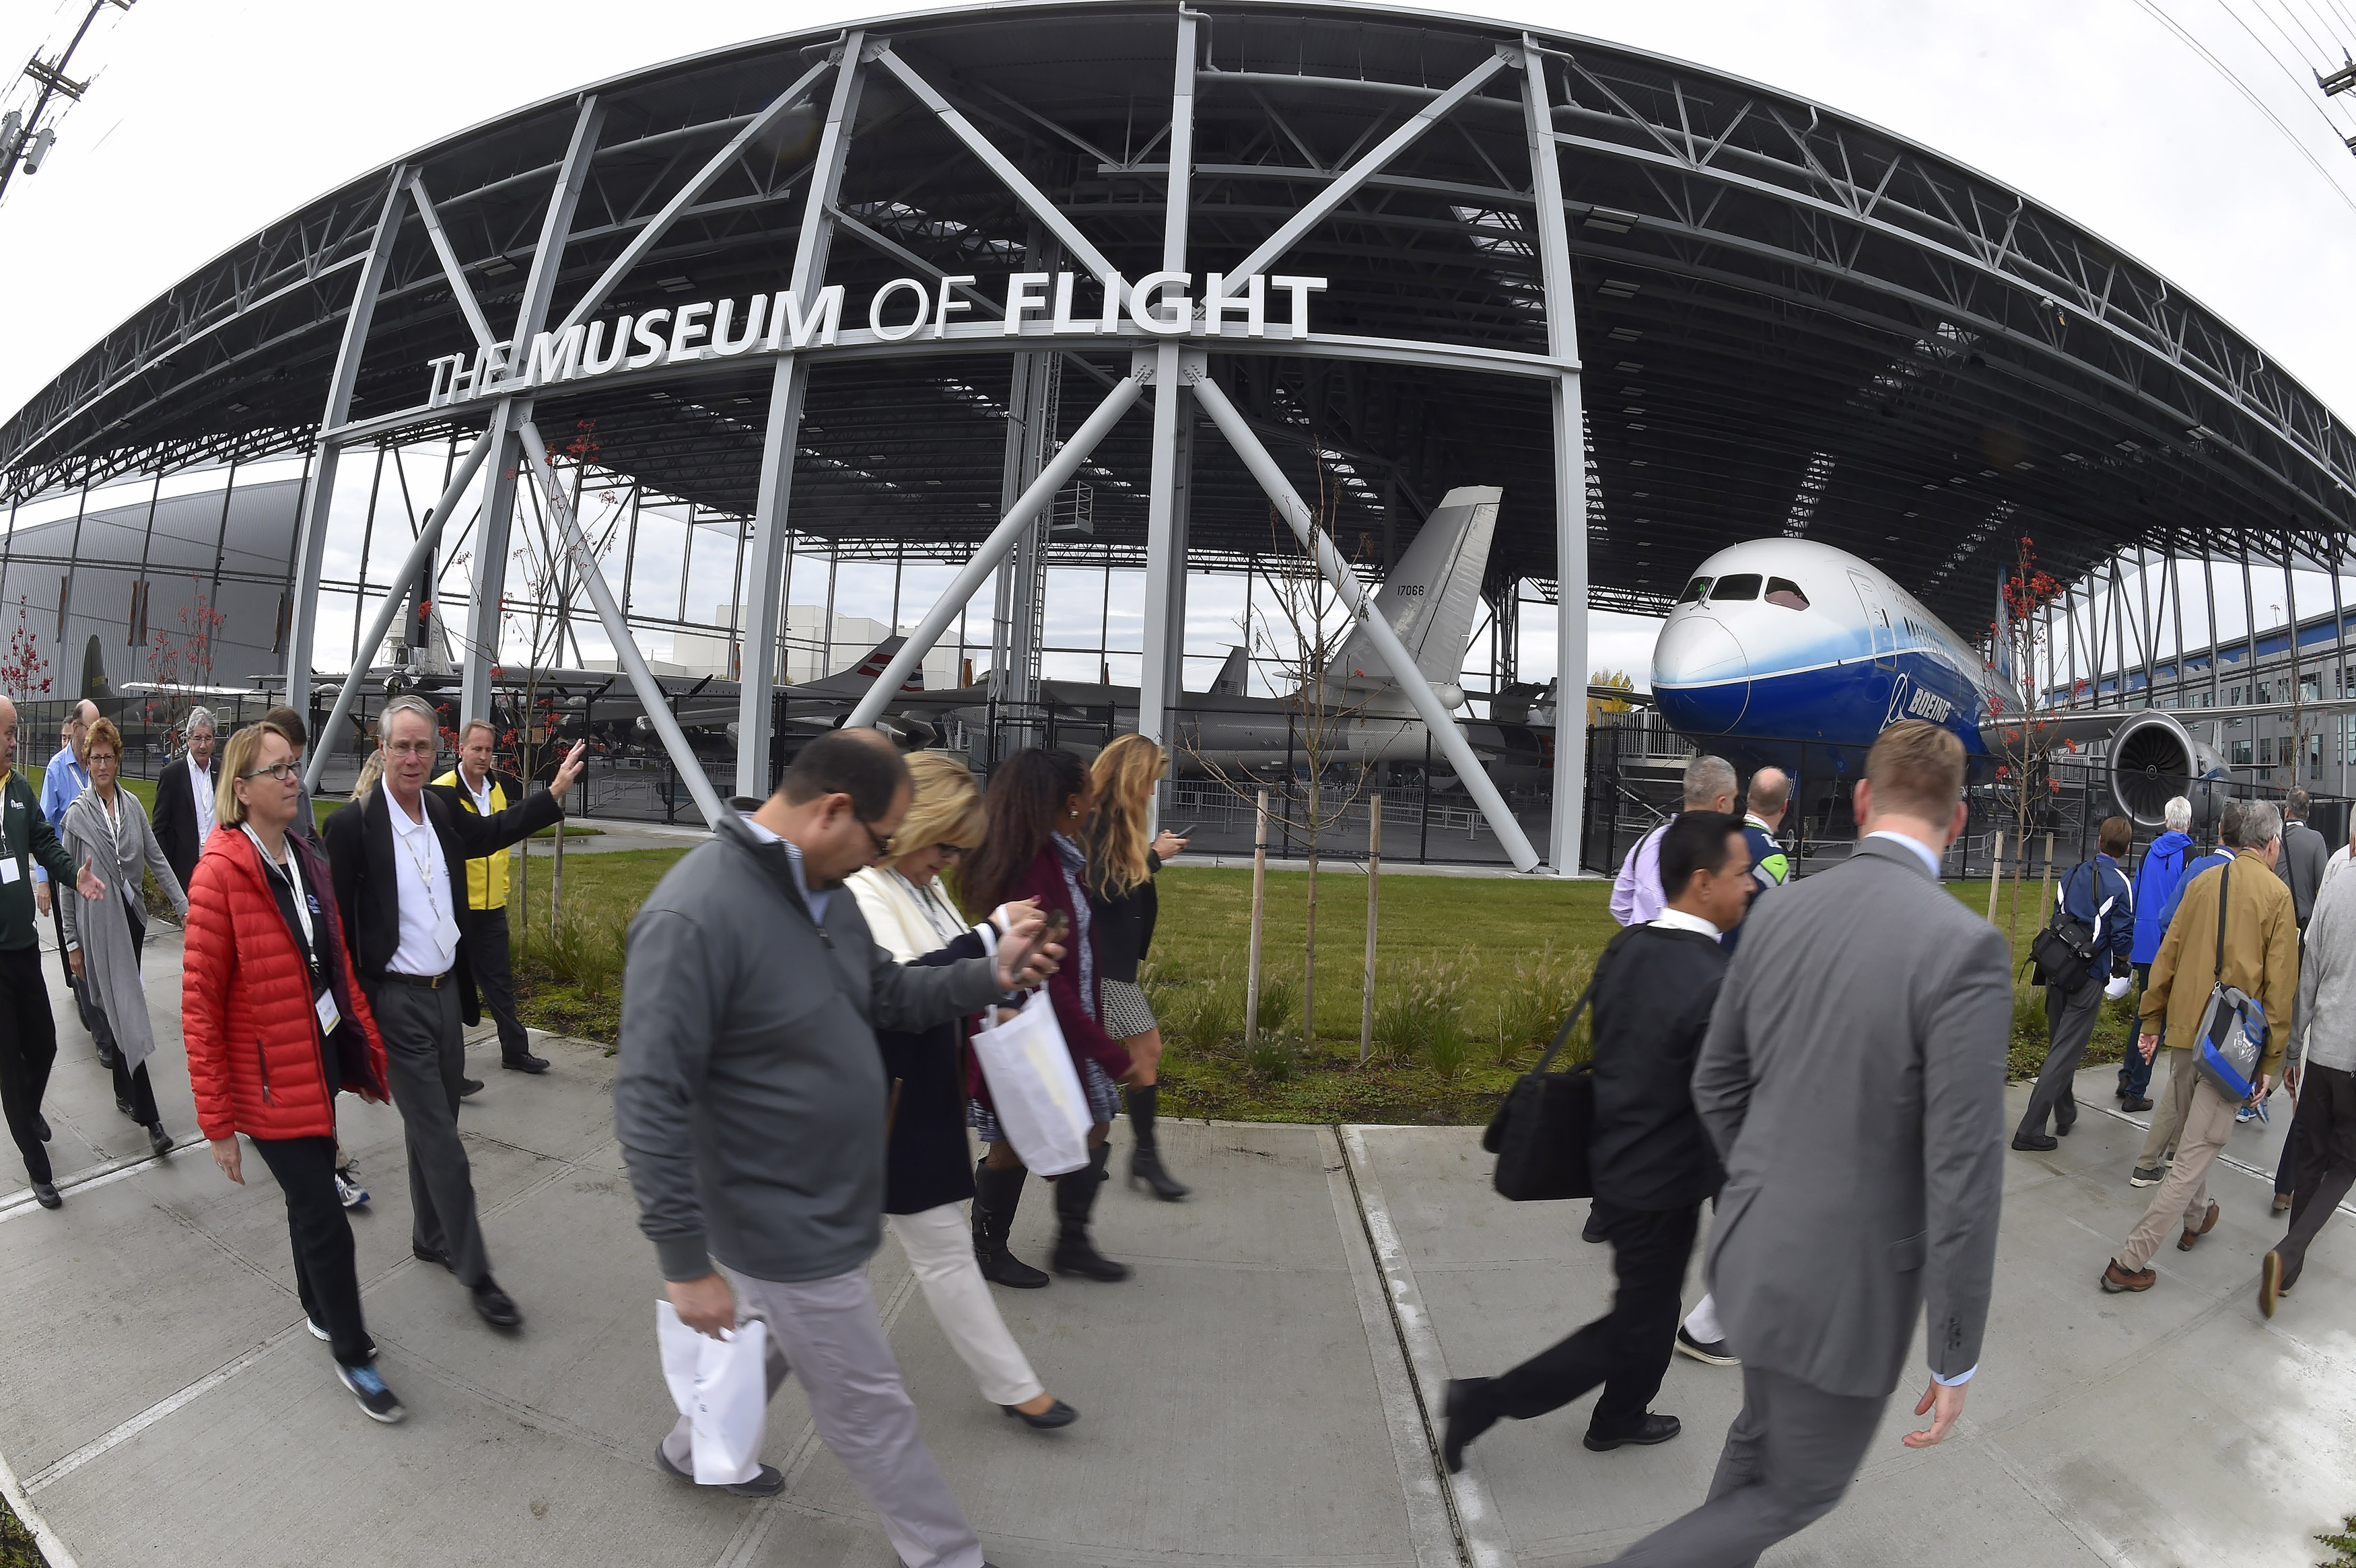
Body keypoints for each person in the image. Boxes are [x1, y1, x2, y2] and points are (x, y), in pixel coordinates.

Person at [614, 728, 1053, 1566]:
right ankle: (946, 1553)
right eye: (882, 840)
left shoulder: (825, 889)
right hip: (777, 1213)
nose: (884, 857)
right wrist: (681, 1260)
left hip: (820, 1198)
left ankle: (689, 1449)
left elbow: (886, 993)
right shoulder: (694, 913)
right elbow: (647, 1097)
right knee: (870, 1404)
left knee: (768, 1338)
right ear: (832, 810)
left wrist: (989, 975)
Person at [1607, 721, 2009, 1568]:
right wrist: (1956, 1350)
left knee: (1758, 1440)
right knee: (1799, 1487)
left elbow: (1717, 1081)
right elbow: (1963, 1174)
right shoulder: (1964, 948)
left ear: (1862, 800)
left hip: (1754, 1251)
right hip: (1845, 1297)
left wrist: (1762, 1177)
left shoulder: (1778, 905)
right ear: (1959, 819)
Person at [1443, 811, 1754, 1471]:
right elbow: (1721, 1111)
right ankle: (1483, 1401)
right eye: (1739, 873)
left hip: (1611, 1161)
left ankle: (1618, 1415)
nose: (1750, 884)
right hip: (1658, 1185)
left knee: (1650, 1305)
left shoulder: (1630, 945)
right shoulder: (1716, 984)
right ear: (1701, 882)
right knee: (1634, 1326)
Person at [323, 696, 584, 1329]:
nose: (413, 758)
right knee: (443, 1140)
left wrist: (550, 796)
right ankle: (477, 1271)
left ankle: (429, 1233)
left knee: (432, 1125)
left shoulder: (441, 809)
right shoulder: (353, 826)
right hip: (397, 1002)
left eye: (422, 747)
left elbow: (492, 833)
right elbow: (335, 929)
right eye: (401, 747)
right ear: (380, 750)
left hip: (446, 994)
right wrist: (349, 1012)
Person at [183, 719, 404, 1422]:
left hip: (313, 1062)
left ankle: (316, 1306)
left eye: (295, 765)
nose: (292, 778)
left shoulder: (304, 858)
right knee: (325, 1214)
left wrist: (365, 1048)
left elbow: (333, 967)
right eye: (277, 769)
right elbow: (199, 1007)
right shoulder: (220, 871)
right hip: (267, 1083)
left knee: (307, 1203)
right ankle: (353, 1350)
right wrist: (218, 1123)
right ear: (241, 789)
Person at [847, 750, 1076, 1429]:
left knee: (922, 1251)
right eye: (943, 843)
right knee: (827, 1279)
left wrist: (1004, 964)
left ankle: (1013, 1385)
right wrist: (991, 937)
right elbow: (901, 987)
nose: (948, 858)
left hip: (911, 1099)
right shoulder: (864, 890)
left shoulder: (913, 884)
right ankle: (710, 1417)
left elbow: (953, 974)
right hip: (880, 1106)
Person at [2101, 798, 2295, 1295]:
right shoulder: (2277, 896)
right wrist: (2271, 1062)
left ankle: (2199, 1216)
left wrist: (2150, 1020)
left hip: (2188, 1034)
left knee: (2194, 1139)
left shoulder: (2201, 881)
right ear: (2271, 844)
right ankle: (2130, 1260)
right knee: (2193, 1155)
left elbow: (2166, 956)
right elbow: (2280, 989)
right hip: (2230, 1050)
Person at [958, 746, 1136, 1284]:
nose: (1095, 798)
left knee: (1096, 1121)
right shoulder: (1032, 868)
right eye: (1088, 789)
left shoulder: (1057, 856)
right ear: (1069, 802)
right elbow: (1044, 977)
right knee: (1011, 1144)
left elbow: (1076, 961)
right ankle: (988, 1250)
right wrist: (1102, 1046)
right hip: (1032, 1032)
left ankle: (1073, 1244)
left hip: (1067, 1027)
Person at [59, 718, 186, 1160]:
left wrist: (185, 908)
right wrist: (72, 943)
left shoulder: (131, 807)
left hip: (131, 923)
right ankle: (152, 1120)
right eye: (94, 758)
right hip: (97, 928)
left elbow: (158, 860)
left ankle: (123, 1091)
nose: (101, 764)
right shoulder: (76, 815)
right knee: (128, 1009)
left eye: (108, 757)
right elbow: (66, 883)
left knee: (117, 1010)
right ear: (86, 761)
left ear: (118, 759)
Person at [1080, 732, 1190, 1202]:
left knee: (1099, 1059)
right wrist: (1153, 857)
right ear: (1131, 777)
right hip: (1102, 961)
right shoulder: (1093, 821)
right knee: (1145, 1053)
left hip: (1114, 959)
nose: (1151, 792)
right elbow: (1104, 888)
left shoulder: (1110, 819)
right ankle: (1144, 1157)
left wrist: (1148, 851)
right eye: (1148, 781)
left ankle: (1089, 1156)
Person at [0, 698, 93, 1209]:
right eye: (10, 733)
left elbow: (43, 840)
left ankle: (30, 1111)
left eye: (16, 732)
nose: (17, 740)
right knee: (9, 1070)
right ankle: (38, 1168)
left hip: (23, 950)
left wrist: (72, 873)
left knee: (45, 1045)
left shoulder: (18, 790)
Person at [2264, 835, 2356, 1316]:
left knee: (2311, 1157)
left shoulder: (2336, 889)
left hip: (2323, 1051)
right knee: (2344, 1164)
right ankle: (2288, 1254)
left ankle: (2287, 1273)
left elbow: (2309, 972)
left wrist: (2294, 1051)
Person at [2129, 804, 2240, 1188]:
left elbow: (2166, 919)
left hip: (2183, 985)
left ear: (2220, 830)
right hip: (2227, 1003)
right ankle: (2162, 1160)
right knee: (2200, 1087)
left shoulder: (2190, 863)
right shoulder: (2244, 879)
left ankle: (2165, 1156)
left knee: (2181, 1079)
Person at [429, 719, 547, 1075]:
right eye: (476, 749)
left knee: (500, 983)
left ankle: (515, 1051)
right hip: (455, 911)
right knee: (446, 989)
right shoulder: (442, 791)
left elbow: (498, 843)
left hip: (491, 906)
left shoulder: (496, 790)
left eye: (488, 750)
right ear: (459, 749)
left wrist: (504, 888)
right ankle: (446, 1067)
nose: (483, 757)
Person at [2013, 817, 2135, 1152]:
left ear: (2099, 842)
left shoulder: (2072, 873)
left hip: (2056, 968)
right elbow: (2123, 936)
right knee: (2064, 1052)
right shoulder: (2120, 883)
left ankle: (2065, 1111)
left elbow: (2059, 915)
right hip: (2088, 975)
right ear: (2125, 850)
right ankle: (2030, 1128)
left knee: (2060, 1046)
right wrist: (2122, 965)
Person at [36, 700, 105, 1062]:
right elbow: (43, 831)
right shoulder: (56, 770)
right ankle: (95, 1022)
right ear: (75, 728)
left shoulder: (99, 765)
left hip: (97, 878)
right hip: (67, 876)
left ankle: (93, 1005)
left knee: (95, 950)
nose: (93, 737)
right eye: (89, 729)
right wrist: (43, 880)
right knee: (75, 949)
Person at [2120, 797, 2195, 1112]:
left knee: (2143, 1011)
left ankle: (2127, 1076)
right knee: (2157, 1019)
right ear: (2188, 823)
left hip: (2144, 939)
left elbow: (2136, 894)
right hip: (2168, 944)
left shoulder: (2148, 852)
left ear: (2166, 821)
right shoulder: (2190, 856)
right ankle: (2136, 1090)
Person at [1609, 754, 1737, 927]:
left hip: (1643, 949)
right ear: (1721, 803)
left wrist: (1641, 935)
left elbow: (1620, 905)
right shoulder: (1723, 854)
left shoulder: (1647, 842)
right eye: (1733, 799)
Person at [151, 707, 220, 895]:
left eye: (208, 738)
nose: (203, 745)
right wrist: (162, 875)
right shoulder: (173, 775)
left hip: (219, 867)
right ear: (188, 739)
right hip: (185, 871)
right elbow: (159, 828)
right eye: (198, 739)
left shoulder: (223, 772)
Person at [261, 705, 324, 847]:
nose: (292, 778)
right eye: (281, 766)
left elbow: (311, 848)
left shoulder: (300, 790)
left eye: (295, 763)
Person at [2277, 788, 2329, 933]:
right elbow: (2322, 886)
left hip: (2275, 919)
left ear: (2287, 811)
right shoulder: (2316, 840)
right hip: (2305, 924)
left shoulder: (2273, 839)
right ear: (2307, 814)